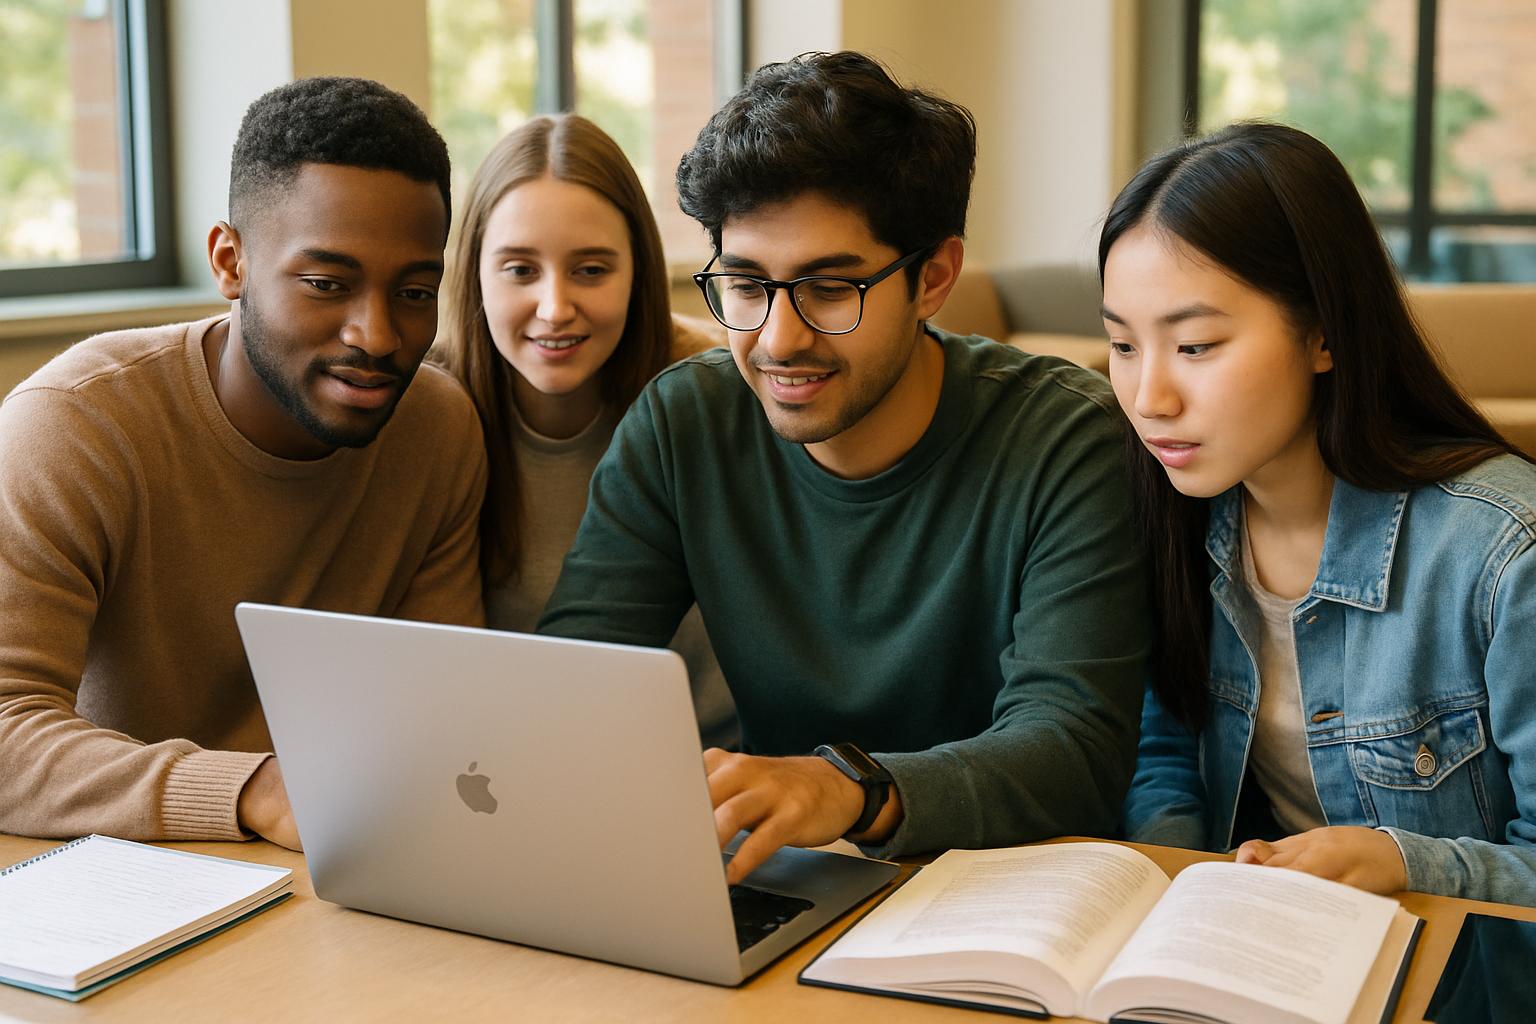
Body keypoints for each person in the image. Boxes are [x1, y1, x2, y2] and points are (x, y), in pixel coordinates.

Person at [538, 51, 1150, 882]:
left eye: (830, 289)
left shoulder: (1066, 438)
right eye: (746, 285)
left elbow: (1073, 749)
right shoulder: (685, 421)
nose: (779, 340)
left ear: (934, 277)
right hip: (784, 875)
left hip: (1006, 888)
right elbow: (576, 678)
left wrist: (851, 788)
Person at [0, 77, 486, 849]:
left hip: (333, 864)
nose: (378, 335)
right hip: (108, 874)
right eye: (327, 284)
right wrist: (253, 789)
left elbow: (447, 706)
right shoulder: (73, 424)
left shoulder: (439, 429)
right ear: (231, 262)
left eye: (415, 291)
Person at [1107, 122, 1536, 905]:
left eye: (1195, 345)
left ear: (1325, 334)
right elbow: (1164, 748)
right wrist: (1183, 886)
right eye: (1123, 346)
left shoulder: (1505, 557)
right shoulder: (1179, 515)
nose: (1149, 399)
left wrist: (1403, 865)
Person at [434, 114, 737, 749]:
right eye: (519, 269)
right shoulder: (426, 411)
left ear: (639, 273)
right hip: (503, 772)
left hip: (721, 774)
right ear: (475, 274)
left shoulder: (720, 388)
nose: (554, 308)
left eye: (592, 270)